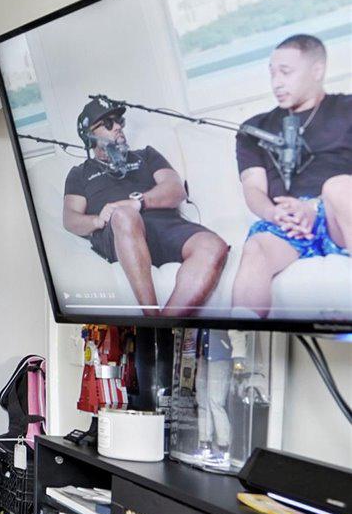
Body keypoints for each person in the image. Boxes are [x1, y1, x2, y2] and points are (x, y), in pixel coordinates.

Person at [61, 98, 229, 314]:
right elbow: (70, 218)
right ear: (89, 137)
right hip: (122, 233)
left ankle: (163, 324)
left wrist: (138, 202)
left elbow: (176, 190)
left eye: (119, 120)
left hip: (165, 226)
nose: (119, 126)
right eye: (109, 123)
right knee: (124, 216)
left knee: (213, 245)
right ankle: (150, 314)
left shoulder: (146, 155)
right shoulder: (80, 173)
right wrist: (97, 219)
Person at [231, 34, 352, 316]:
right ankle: (240, 347)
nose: (276, 83)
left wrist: (314, 206)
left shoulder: (347, 109)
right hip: (287, 221)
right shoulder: (253, 128)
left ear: (317, 70)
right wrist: (276, 214)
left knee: (338, 187)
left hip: (339, 213)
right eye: (272, 73)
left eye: (285, 72)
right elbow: (253, 189)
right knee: (256, 249)